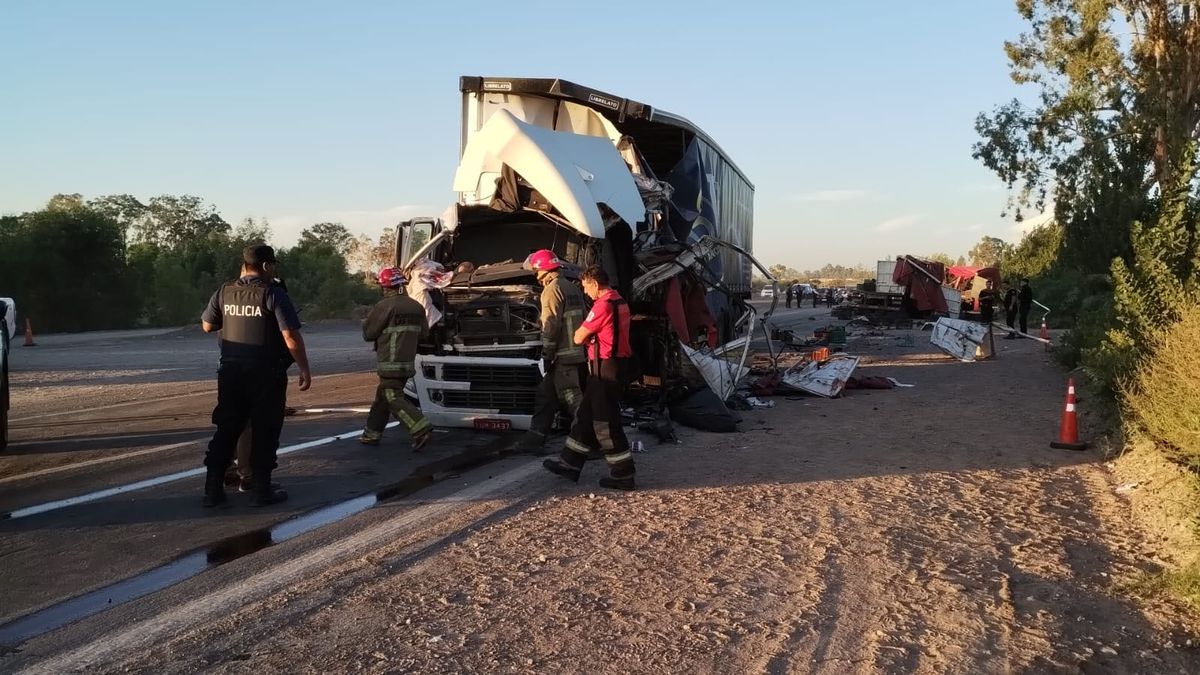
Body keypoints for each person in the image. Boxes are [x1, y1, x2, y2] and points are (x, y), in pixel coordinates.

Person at [201, 244, 310, 508]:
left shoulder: (224, 291)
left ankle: (212, 490)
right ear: (265, 266)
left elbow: (207, 325)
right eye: (272, 265)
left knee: (228, 429)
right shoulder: (272, 293)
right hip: (265, 373)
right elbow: (290, 335)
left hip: (230, 372)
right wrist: (304, 367)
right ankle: (261, 489)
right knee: (265, 429)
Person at [542, 265, 636, 491]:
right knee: (585, 415)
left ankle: (623, 474)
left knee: (605, 422)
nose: (585, 292)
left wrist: (587, 337)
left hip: (605, 368)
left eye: (585, 286)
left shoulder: (602, 305)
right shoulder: (620, 301)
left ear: (594, 283)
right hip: (609, 366)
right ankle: (569, 464)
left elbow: (578, 336)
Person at [512, 250, 588, 454]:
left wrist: (546, 353)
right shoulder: (572, 287)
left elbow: (550, 324)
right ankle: (533, 441)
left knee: (572, 399)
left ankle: (592, 441)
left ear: (540, 270)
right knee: (545, 396)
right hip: (574, 352)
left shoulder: (552, 290)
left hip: (562, 356)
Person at [359, 267, 434, 449]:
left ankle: (419, 427)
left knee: (392, 396)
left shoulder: (385, 306)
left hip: (389, 362)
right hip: (407, 362)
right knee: (383, 397)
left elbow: (369, 333)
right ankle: (372, 433)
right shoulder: (416, 307)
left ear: (385, 287)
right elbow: (424, 334)